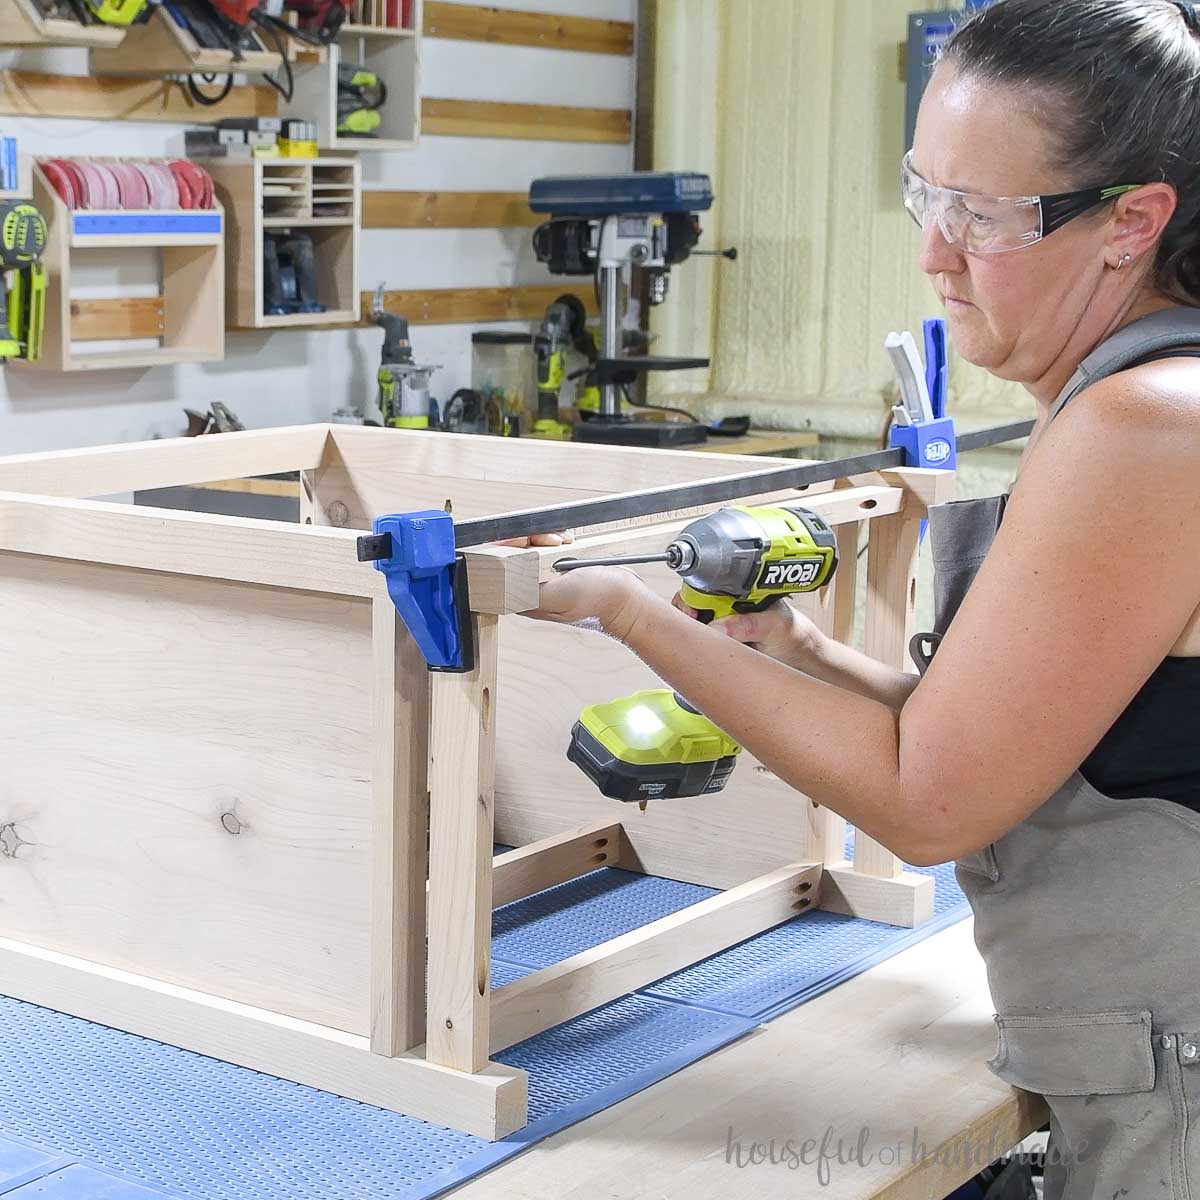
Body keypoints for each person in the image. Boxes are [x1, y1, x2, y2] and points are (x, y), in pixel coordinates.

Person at [521, 1, 1200, 1195]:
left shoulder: (1144, 426)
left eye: (980, 216)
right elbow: (1030, 743)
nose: (934, 252)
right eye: (924, 194)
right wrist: (800, 651)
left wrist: (624, 609)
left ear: (1131, 221)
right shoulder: (1138, 391)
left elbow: (929, 808)